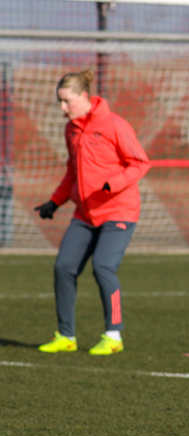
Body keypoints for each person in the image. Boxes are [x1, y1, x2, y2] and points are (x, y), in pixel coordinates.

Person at [35, 69, 150, 356]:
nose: (62, 108)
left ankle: (113, 336)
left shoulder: (114, 125)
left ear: (84, 97)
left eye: (66, 101)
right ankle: (66, 335)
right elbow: (72, 172)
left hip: (119, 211)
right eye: (59, 102)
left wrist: (114, 184)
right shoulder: (71, 130)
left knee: (103, 267)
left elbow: (140, 163)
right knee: (64, 267)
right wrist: (55, 202)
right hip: (85, 214)